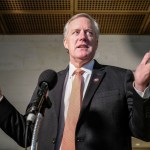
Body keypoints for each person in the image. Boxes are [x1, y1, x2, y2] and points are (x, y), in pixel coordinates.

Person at [0, 13, 150, 150]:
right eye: (76, 32)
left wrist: (140, 87)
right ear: (66, 42)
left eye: (89, 33)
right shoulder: (49, 82)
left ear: (96, 42)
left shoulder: (121, 78)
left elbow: (143, 132)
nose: (82, 37)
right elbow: (26, 135)